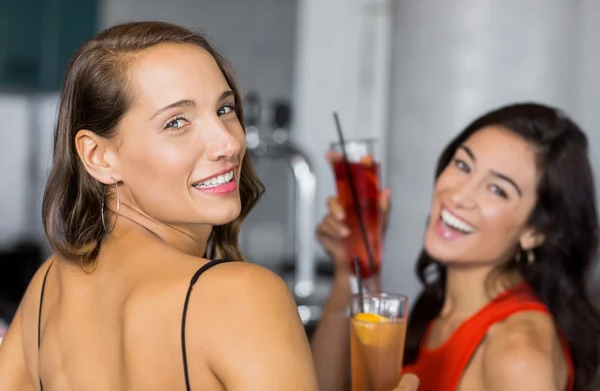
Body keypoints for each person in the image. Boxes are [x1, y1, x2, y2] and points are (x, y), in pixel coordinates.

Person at [0, 21, 319, 390]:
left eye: (224, 108)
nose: (228, 143)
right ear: (99, 156)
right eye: (177, 122)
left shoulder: (49, 286)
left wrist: (348, 271)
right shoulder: (240, 296)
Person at [312, 102, 600, 391]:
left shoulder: (517, 356)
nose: (460, 195)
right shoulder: (441, 312)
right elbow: (327, 387)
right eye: (463, 165)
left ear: (535, 231)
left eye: (497, 189)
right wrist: (351, 268)